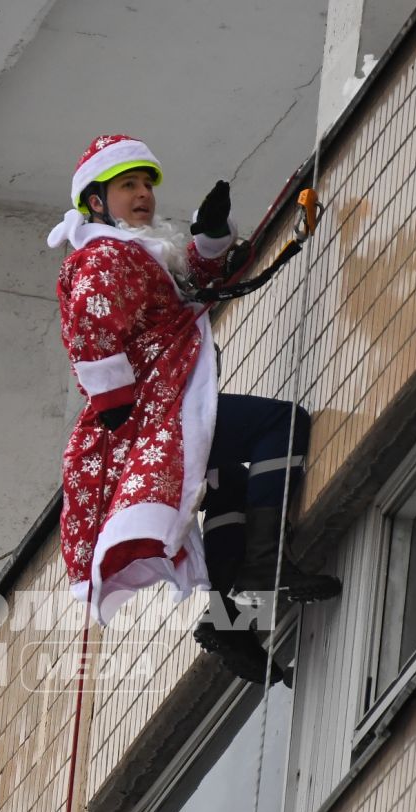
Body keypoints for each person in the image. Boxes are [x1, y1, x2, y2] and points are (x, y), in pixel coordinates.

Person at [45, 134, 339, 649]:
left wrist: (210, 237)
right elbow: (89, 326)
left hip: (163, 406)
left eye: (146, 185)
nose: (143, 195)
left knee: (225, 480)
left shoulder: (136, 252)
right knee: (281, 424)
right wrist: (115, 403)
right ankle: (267, 563)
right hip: (150, 416)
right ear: (96, 202)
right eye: (128, 185)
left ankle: (229, 621)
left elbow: (192, 287)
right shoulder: (104, 257)